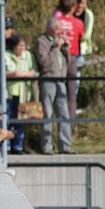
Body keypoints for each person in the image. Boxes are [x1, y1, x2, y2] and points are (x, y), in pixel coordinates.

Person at [34, 17, 76, 155]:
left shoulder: (60, 41)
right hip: (48, 80)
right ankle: (47, 146)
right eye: (57, 28)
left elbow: (66, 63)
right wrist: (55, 48)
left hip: (60, 81)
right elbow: (44, 62)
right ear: (50, 28)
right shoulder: (42, 42)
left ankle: (65, 145)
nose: (60, 31)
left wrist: (66, 51)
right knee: (47, 113)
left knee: (63, 113)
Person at [54, 0, 84, 132]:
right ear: (72, 8)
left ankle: (57, 124)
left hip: (57, 58)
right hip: (71, 58)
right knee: (72, 95)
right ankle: (70, 127)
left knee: (58, 92)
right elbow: (81, 38)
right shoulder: (78, 23)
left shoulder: (55, 21)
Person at [5, 34, 39, 155]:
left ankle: (18, 146)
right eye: (20, 46)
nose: (22, 48)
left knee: (21, 120)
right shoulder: (6, 55)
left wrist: (25, 74)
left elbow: (34, 71)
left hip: (24, 92)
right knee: (7, 118)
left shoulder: (28, 56)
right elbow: (3, 72)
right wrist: (13, 74)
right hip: (9, 92)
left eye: (24, 46)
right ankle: (7, 146)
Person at [73, 0, 95, 93]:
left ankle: (73, 101)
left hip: (80, 49)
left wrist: (74, 37)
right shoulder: (70, 12)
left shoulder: (88, 15)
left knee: (76, 76)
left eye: (83, 3)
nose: (80, 6)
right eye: (78, 2)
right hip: (68, 49)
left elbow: (87, 34)